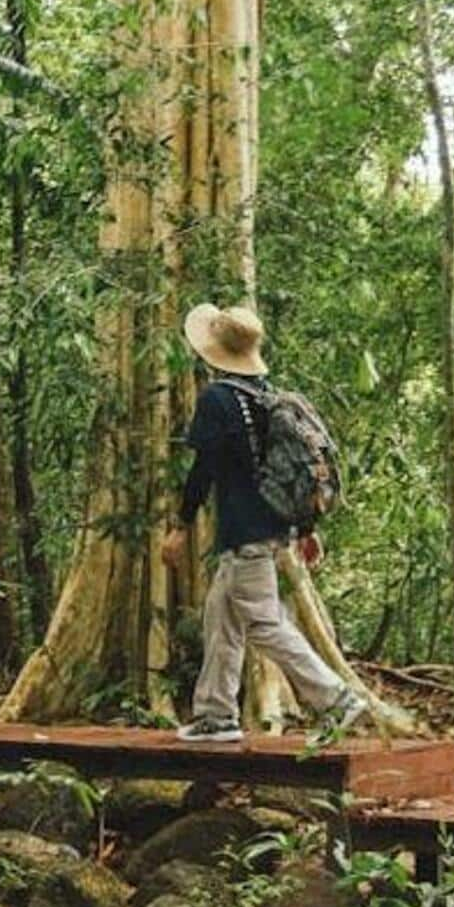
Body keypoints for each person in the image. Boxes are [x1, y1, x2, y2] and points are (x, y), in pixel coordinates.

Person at [165, 303, 365, 744]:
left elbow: (204, 469)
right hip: (271, 528)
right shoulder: (267, 396)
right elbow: (289, 467)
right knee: (222, 618)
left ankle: (336, 700)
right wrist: (306, 529)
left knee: (263, 623)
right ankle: (216, 714)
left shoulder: (218, 399)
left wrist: (181, 525)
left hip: (244, 533)